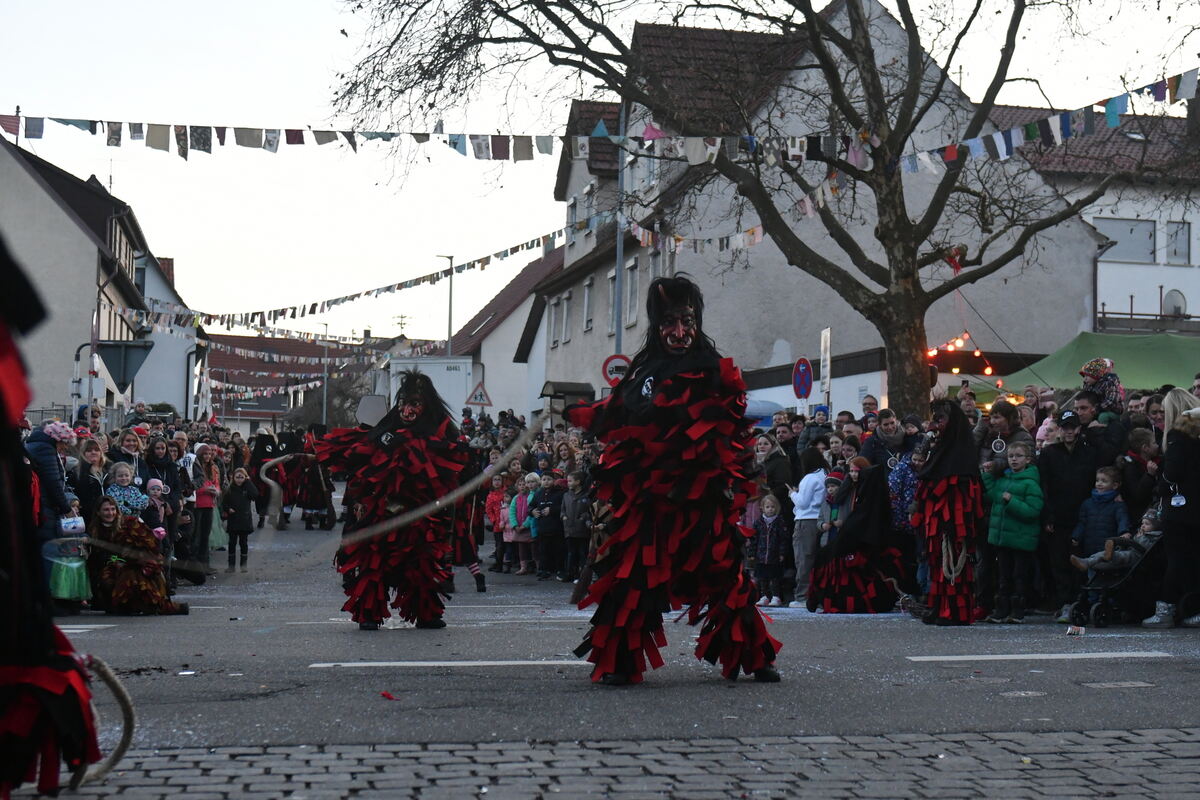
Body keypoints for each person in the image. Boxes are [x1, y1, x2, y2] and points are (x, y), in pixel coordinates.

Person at [565, 275, 779, 685]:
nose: (679, 332)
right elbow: (617, 414)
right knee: (633, 574)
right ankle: (621, 661)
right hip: (650, 500)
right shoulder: (643, 373)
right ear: (657, 326)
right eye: (669, 323)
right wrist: (583, 413)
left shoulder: (713, 370)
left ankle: (753, 655)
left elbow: (734, 427)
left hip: (702, 499)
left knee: (725, 572)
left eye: (687, 322)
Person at [316, 370, 469, 630]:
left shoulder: (439, 433)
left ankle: (426, 613)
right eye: (403, 403)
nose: (407, 410)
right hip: (381, 510)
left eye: (414, 404)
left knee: (420, 562)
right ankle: (368, 614)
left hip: (418, 514)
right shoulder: (385, 429)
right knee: (373, 560)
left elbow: (453, 471)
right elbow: (360, 460)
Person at [914, 399, 984, 625]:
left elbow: (965, 493)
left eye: (940, 419)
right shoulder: (939, 451)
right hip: (936, 519)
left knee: (954, 563)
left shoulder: (961, 454)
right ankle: (939, 605)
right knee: (937, 562)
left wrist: (954, 521)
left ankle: (954, 611)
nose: (935, 425)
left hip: (953, 520)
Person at [806, 459, 905, 614]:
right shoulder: (850, 489)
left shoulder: (870, 490)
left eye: (856, 471)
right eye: (851, 471)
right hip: (849, 534)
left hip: (862, 539)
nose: (853, 474)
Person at [1037, 409, 1108, 622]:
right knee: (1059, 561)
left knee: (1080, 561)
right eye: (1065, 427)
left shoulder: (1089, 452)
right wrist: (1047, 516)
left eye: (1072, 427)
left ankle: (1079, 602)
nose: (1069, 431)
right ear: (1060, 429)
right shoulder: (1049, 453)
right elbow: (1044, 485)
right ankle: (1065, 603)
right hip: (1058, 515)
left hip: (1082, 515)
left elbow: (1096, 481)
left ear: (1078, 429)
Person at [1142, 388, 1200, 627]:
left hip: (1179, 509)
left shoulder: (1178, 435)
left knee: (1176, 560)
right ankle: (1193, 609)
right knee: (1194, 560)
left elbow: (1173, 473)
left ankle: (1165, 608)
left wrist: (1161, 485)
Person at [86, 496, 187, 615]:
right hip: (110, 565)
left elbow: (149, 544)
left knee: (137, 574)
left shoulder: (129, 523)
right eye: (106, 510)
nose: (110, 513)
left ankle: (148, 604)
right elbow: (97, 557)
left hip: (136, 563)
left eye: (113, 509)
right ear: (98, 512)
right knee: (113, 578)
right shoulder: (94, 530)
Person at [980, 443, 1043, 624]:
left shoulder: (1031, 484)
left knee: (1019, 576)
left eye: (1018, 456)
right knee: (1003, 575)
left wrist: (1012, 501)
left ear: (1028, 459)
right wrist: (987, 475)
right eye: (1011, 456)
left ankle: (1018, 609)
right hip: (1004, 538)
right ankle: (1002, 608)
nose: (1014, 459)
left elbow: (1033, 511)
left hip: (1021, 539)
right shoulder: (1003, 480)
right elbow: (991, 495)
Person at [25, 420, 77, 587]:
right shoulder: (46, 449)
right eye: (65, 444)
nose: (65, 449)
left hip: (40, 506)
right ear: (58, 440)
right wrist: (66, 508)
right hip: (44, 508)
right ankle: (48, 593)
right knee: (49, 551)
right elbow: (53, 482)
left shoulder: (36, 445)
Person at [786, 447, 828, 608]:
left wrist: (792, 494)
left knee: (803, 558)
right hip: (819, 519)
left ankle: (802, 595)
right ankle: (815, 594)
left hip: (805, 520)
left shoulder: (809, 478)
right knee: (815, 558)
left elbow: (803, 503)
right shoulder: (824, 475)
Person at [1071, 509, 1161, 574]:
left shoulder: (1154, 535)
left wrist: (1140, 537)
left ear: (1155, 527)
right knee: (1099, 561)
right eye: (1142, 523)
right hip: (1127, 553)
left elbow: (1145, 547)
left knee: (1118, 555)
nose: (1143, 526)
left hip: (1135, 557)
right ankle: (1087, 562)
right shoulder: (1141, 532)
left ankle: (1104, 556)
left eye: (1147, 524)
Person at [1117, 427, 1161, 526]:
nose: (1157, 446)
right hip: (1138, 518)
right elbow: (1137, 495)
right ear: (1145, 448)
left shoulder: (1157, 461)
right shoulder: (1130, 466)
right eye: (1154, 443)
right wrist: (1149, 475)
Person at [752, 495, 789, 607]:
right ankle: (764, 596)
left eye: (773, 507)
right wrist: (752, 552)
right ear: (762, 508)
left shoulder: (780, 522)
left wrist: (782, 553)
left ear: (776, 507)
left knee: (775, 577)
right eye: (767, 507)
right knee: (762, 578)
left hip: (774, 555)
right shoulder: (758, 523)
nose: (770, 509)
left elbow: (783, 539)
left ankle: (776, 596)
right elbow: (754, 539)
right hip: (761, 555)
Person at [220, 467, 258, 573]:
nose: (239, 480)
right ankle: (231, 565)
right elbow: (224, 503)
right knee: (232, 543)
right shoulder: (229, 490)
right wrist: (228, 509)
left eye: (241, 477)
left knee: (243, 543)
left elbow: (255, 494)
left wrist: (248, 482)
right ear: (233, 478)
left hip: (244, 520)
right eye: (237, 477)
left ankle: (243, 565)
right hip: (233, 520)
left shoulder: (247, 489)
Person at [561, 470, 592, 582]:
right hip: (569, 528)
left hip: (582, 529)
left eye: (570, 481)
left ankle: (582, 575)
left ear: (578, 482)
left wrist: (584, 517)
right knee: (571, 553)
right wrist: (563, 516)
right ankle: (569, 573)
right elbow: (563, 509)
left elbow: (590, 510)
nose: (568, 483)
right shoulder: (566, 495)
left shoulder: (586, 495)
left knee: (582, 553)